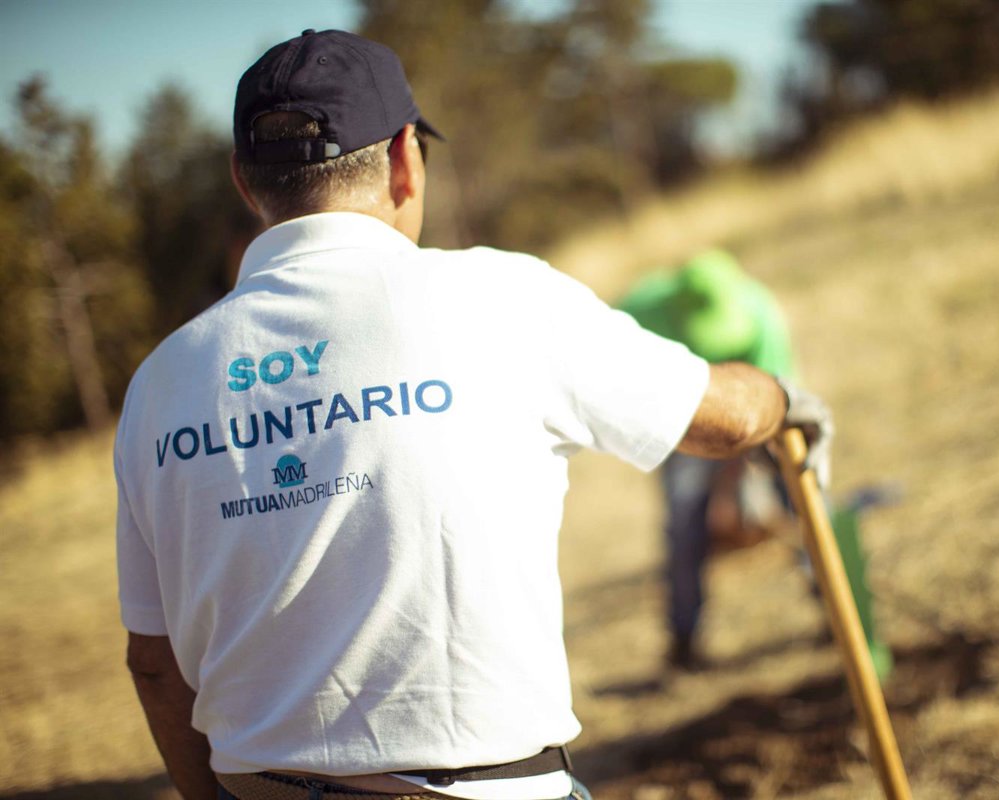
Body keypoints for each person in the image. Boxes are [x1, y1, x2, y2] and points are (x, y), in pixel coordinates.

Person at [115, 30, 832, 800]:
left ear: (243, 180)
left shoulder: (160, 383)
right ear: (405, 158)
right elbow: (724, 420)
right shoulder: (502, 299)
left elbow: (154, 663)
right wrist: (785, 399)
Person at [618, 251, 829, 671]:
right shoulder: (635, 315)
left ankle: (836, 607)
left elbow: (778, 408)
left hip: (755, 413)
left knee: (804, 500)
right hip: (683, 422)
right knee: (683, 521)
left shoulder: (761, 316)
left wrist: (736, 486)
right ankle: (684, 642)